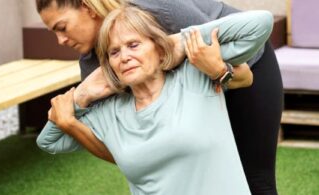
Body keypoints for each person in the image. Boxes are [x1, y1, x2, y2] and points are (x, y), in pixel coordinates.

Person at [36, 0, 283, 194]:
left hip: (241, 62)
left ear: (87, 7)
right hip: (179, 85)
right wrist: (81, 94)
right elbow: (115, 141)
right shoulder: (92, 68)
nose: (60, 40)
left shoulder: (158, 9)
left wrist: (173, 47)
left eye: (62, 28)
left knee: (256, 179)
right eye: (114, 52)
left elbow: (239, 68)